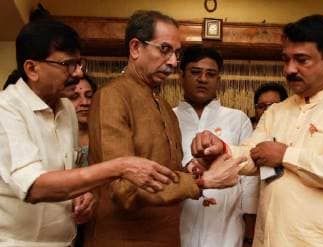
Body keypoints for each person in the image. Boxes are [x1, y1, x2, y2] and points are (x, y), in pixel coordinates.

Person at [191, 14, 323, 246]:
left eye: (301, 60)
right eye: (286, 59)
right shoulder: (276, 111)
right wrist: (222, 149)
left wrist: (286, 155)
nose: (290, 69)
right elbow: (253, 156)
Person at [0, 19, 180, 246]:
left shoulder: (65, 108)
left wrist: (81, 196)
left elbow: (68, 173)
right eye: (67, 64)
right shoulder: (6, 109)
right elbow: (35, 187)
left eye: (79, 63)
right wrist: (120, 166)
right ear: (32, 69)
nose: (77, 74)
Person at [84, 10, 245, 246]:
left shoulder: (164, 107)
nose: (172, 62)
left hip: (166, 237)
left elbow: (164, 174)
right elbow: (123, 189)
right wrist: (203, 182)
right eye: (164, 49)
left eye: (176, 53)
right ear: (135, 48)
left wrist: (194, 170)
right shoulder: (112, 97)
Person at [173, 45, 259, 247]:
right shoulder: (169, 117)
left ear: (218, 80)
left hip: (226, 226)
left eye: (210, 74)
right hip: (178, 222)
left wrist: (250, 231)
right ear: (181, 77)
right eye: (195, 72)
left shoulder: (238, 119)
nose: (203, 79)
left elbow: (249, 181)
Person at [63, 75, 97, 166]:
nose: (85, 103)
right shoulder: (56, 138)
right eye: (74, 97)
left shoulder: (105, 136)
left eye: (89, 96)